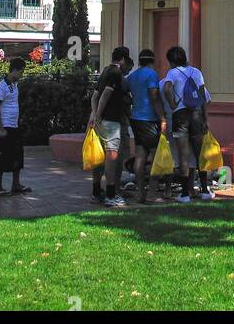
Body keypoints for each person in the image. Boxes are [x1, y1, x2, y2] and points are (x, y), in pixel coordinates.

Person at [161, 46, 214, 203]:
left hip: (180, 116)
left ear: (171, 61)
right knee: (199, 153)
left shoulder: (173, 73)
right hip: (197, 114)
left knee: (183, 155)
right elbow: (203, 96)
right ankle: (204, 190)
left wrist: (171, 104)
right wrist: (206, 119)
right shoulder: (196, 72)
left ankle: (184, 194)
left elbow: (167, 87)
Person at [87, 45, 131, 207]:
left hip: (100, 121)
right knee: (111, 157)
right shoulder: (116, 73)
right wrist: (98, 115)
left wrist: (94, 115)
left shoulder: (105, 71)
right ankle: (111, 194)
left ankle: (96, 191)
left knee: (99, 157)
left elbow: (95, 95)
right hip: (111, 121)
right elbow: (106, 94)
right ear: (123, 59)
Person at [125, 48, 167, 204]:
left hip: (136, 118)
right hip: (150, 119)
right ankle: (151, 193)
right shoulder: (152, 75)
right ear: (152, 60)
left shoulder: (132, 76)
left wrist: (133, 103)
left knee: (140, 155)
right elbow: (155, 97)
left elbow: (125, 93)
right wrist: (163, 118)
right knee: (156, 156)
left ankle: (140, 192)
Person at [0, 57, 31, 196]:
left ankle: (16, 184)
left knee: (17, 155)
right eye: (21, 72)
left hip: (14, 126)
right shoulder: (1, 87)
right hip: (5, 127)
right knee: (2, 156)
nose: (22, 75)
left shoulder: (14, 85)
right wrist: (1, 128)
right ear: (14, 70)